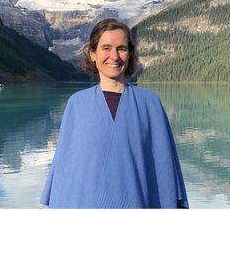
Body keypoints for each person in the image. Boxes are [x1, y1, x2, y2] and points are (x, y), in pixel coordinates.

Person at [41, 18, 189, 208]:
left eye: (122, 48)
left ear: (130, 55)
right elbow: (66, 172)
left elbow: (164, 168)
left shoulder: (150, 103)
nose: (114, 56)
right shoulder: (76, 105)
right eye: (106, 48)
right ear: (93, 54)